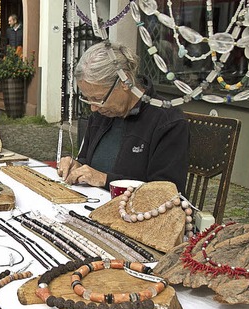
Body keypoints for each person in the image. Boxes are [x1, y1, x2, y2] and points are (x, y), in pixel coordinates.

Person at [57, 41, 189, 194]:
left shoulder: (168, 122)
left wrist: (105, 180)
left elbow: (166, 192)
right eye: (88, 99)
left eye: (98, 99)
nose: (93, 107)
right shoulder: (103, 113)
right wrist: (77, 166)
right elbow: (88, 161)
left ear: (125, 82)